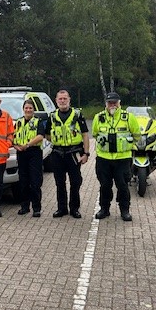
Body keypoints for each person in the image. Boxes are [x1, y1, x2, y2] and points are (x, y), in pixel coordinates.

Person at [92, 92, 141, 222]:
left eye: (115, 102)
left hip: (122, 159)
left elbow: (137, 135)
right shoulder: (98, 117)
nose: (112, 105)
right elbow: (95, 134)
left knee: (123, 185)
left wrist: (126, 144)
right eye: (110, 102)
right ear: (106, 104)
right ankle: (104, 209)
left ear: (119, 103)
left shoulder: (128, 117)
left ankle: (125, 210)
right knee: (105, 185)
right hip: (104, 159)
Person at [45, 89, 90, 219]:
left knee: (75, 182)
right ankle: (62, 208)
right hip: (58, 153)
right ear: (56, 101)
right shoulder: (52, 116)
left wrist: (86, 153)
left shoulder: (77, 114)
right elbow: (47, 135)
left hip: (73, 153)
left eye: (65, 98)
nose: (63, 101)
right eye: (60, 99)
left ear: (69, 99)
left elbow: (85, 134)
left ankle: (74, 208)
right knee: (60, 183)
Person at [13, 99, 46, 217]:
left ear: (33, 110)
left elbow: (40, 136)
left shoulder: (38, 122)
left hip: (34, 153)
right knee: (23, 182)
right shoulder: (18, 122)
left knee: (35, 182)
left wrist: (27, 145)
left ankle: (36, 208)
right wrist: (16, 146)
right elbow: (13, 137)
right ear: (23, 109)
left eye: (30, 108)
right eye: (26, 108)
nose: (28, 110)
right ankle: (24, 207)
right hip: (21, 153)